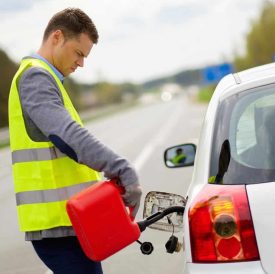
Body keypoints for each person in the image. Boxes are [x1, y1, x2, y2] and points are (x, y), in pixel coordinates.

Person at [8, 8, 142, 274]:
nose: (81, 63)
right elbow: (67, 135)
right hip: (57, 228)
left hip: (71, 222)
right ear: (57, 37)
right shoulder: (36, 77)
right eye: (79, 53)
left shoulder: (46, 78)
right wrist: (120, 167)